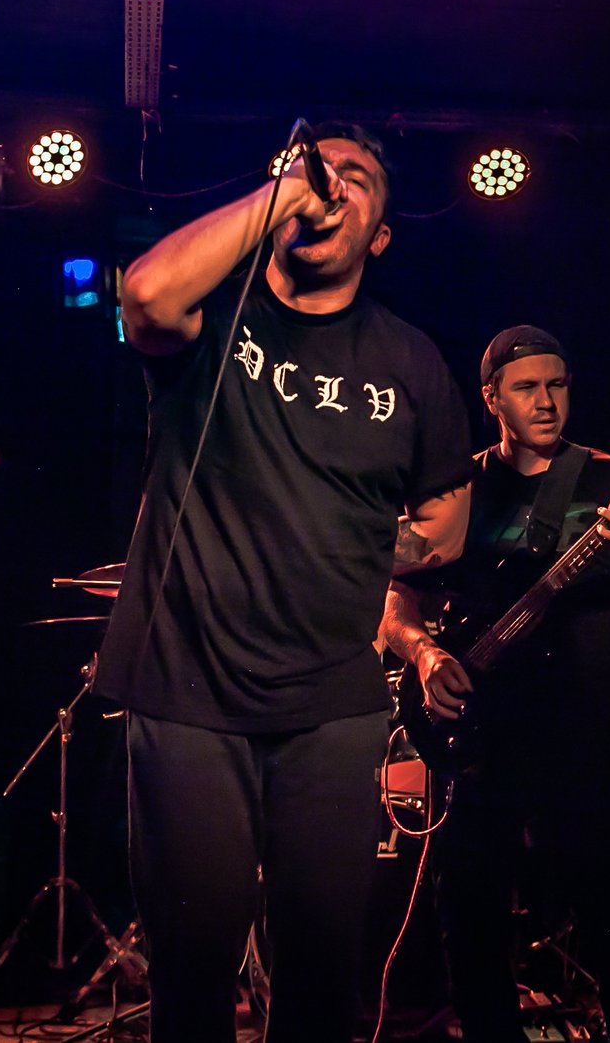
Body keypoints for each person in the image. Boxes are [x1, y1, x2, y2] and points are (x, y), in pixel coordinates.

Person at [95, 122, 473, 1043]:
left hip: (332, 705)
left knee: (320, 974)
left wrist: (346, 543)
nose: (329, 184)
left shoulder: (410, 361)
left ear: (381, 234)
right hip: (188, 689)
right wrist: (279, 198)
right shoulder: (215, 319)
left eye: (356, 178)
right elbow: (143, 293)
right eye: (315, 169)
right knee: (193, 967)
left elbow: (446, 526)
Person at [381, 325, 610, 1043]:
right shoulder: (457, 490)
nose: (547, 401)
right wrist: (425, 656)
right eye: (527, 387)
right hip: (479, 739)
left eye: (557, 385)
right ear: (491, 398)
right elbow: (397, 604)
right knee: (469, 921)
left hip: (586, 736)